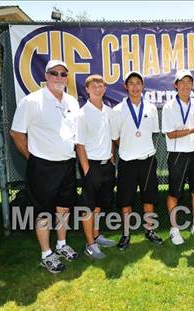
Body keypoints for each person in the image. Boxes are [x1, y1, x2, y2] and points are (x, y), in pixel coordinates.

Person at [10, 59, 79, 273]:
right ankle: (46, 254)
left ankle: (61, 245)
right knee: (43, 213)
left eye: (63, 74)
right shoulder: (32, 101)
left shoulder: (72, 101)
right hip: (42, 166)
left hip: (67, 164)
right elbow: (16, 133)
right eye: (54, 73)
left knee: (63, 209)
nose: (59, 77)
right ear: (46, 76)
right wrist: (33, 157)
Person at [110, 71, 163, 250]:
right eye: (131, 83)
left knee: (149, 197)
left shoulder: (151, 108)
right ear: (126, 87)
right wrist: (128, 146)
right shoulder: (117, 110)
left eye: (138, 83)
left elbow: (154, 132)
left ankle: (149, 230)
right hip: (127, 161)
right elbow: (115, 138)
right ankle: (126, 234)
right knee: (126, 200)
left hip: (147, 159)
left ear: (142, 86)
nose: (134, 87)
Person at [161, 69, 194, 245]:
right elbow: (170, 134)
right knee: (175, 193)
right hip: (177, 155)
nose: (185, 85)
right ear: (176, 85)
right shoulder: (168, 106)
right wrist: (192, 130)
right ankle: (174, 229)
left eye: (188, 82)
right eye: (181, 82)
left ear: (192, 85)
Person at [76, 74, 117, 259]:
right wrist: (86, 170)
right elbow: (80, 145)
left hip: (106, 166)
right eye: (94, 86)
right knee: (88, 207)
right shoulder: (82, 114)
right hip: (91, 166)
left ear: (105, 89)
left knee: (99, 205)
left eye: (101, 85)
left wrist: (112, 157)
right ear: (87, 90)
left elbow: (111, 137)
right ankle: (90, 245)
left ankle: (96, 235)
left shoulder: (109, 111)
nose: (98, 89)